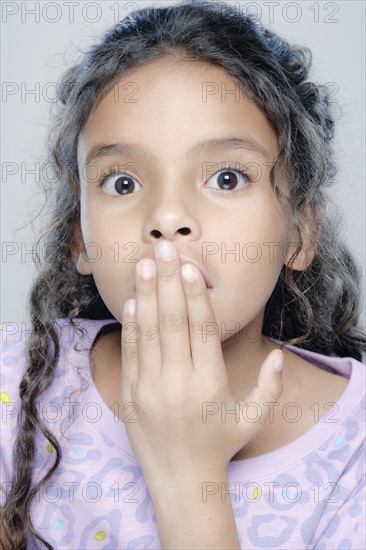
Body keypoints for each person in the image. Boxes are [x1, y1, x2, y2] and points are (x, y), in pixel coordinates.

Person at [1, 1, 365, 548]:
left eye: (226, 177)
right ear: (80, 237)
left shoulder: (354, 451)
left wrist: (189, 473)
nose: (168, 218)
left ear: (299, 232)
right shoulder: (14, 384)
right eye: (122, 183)